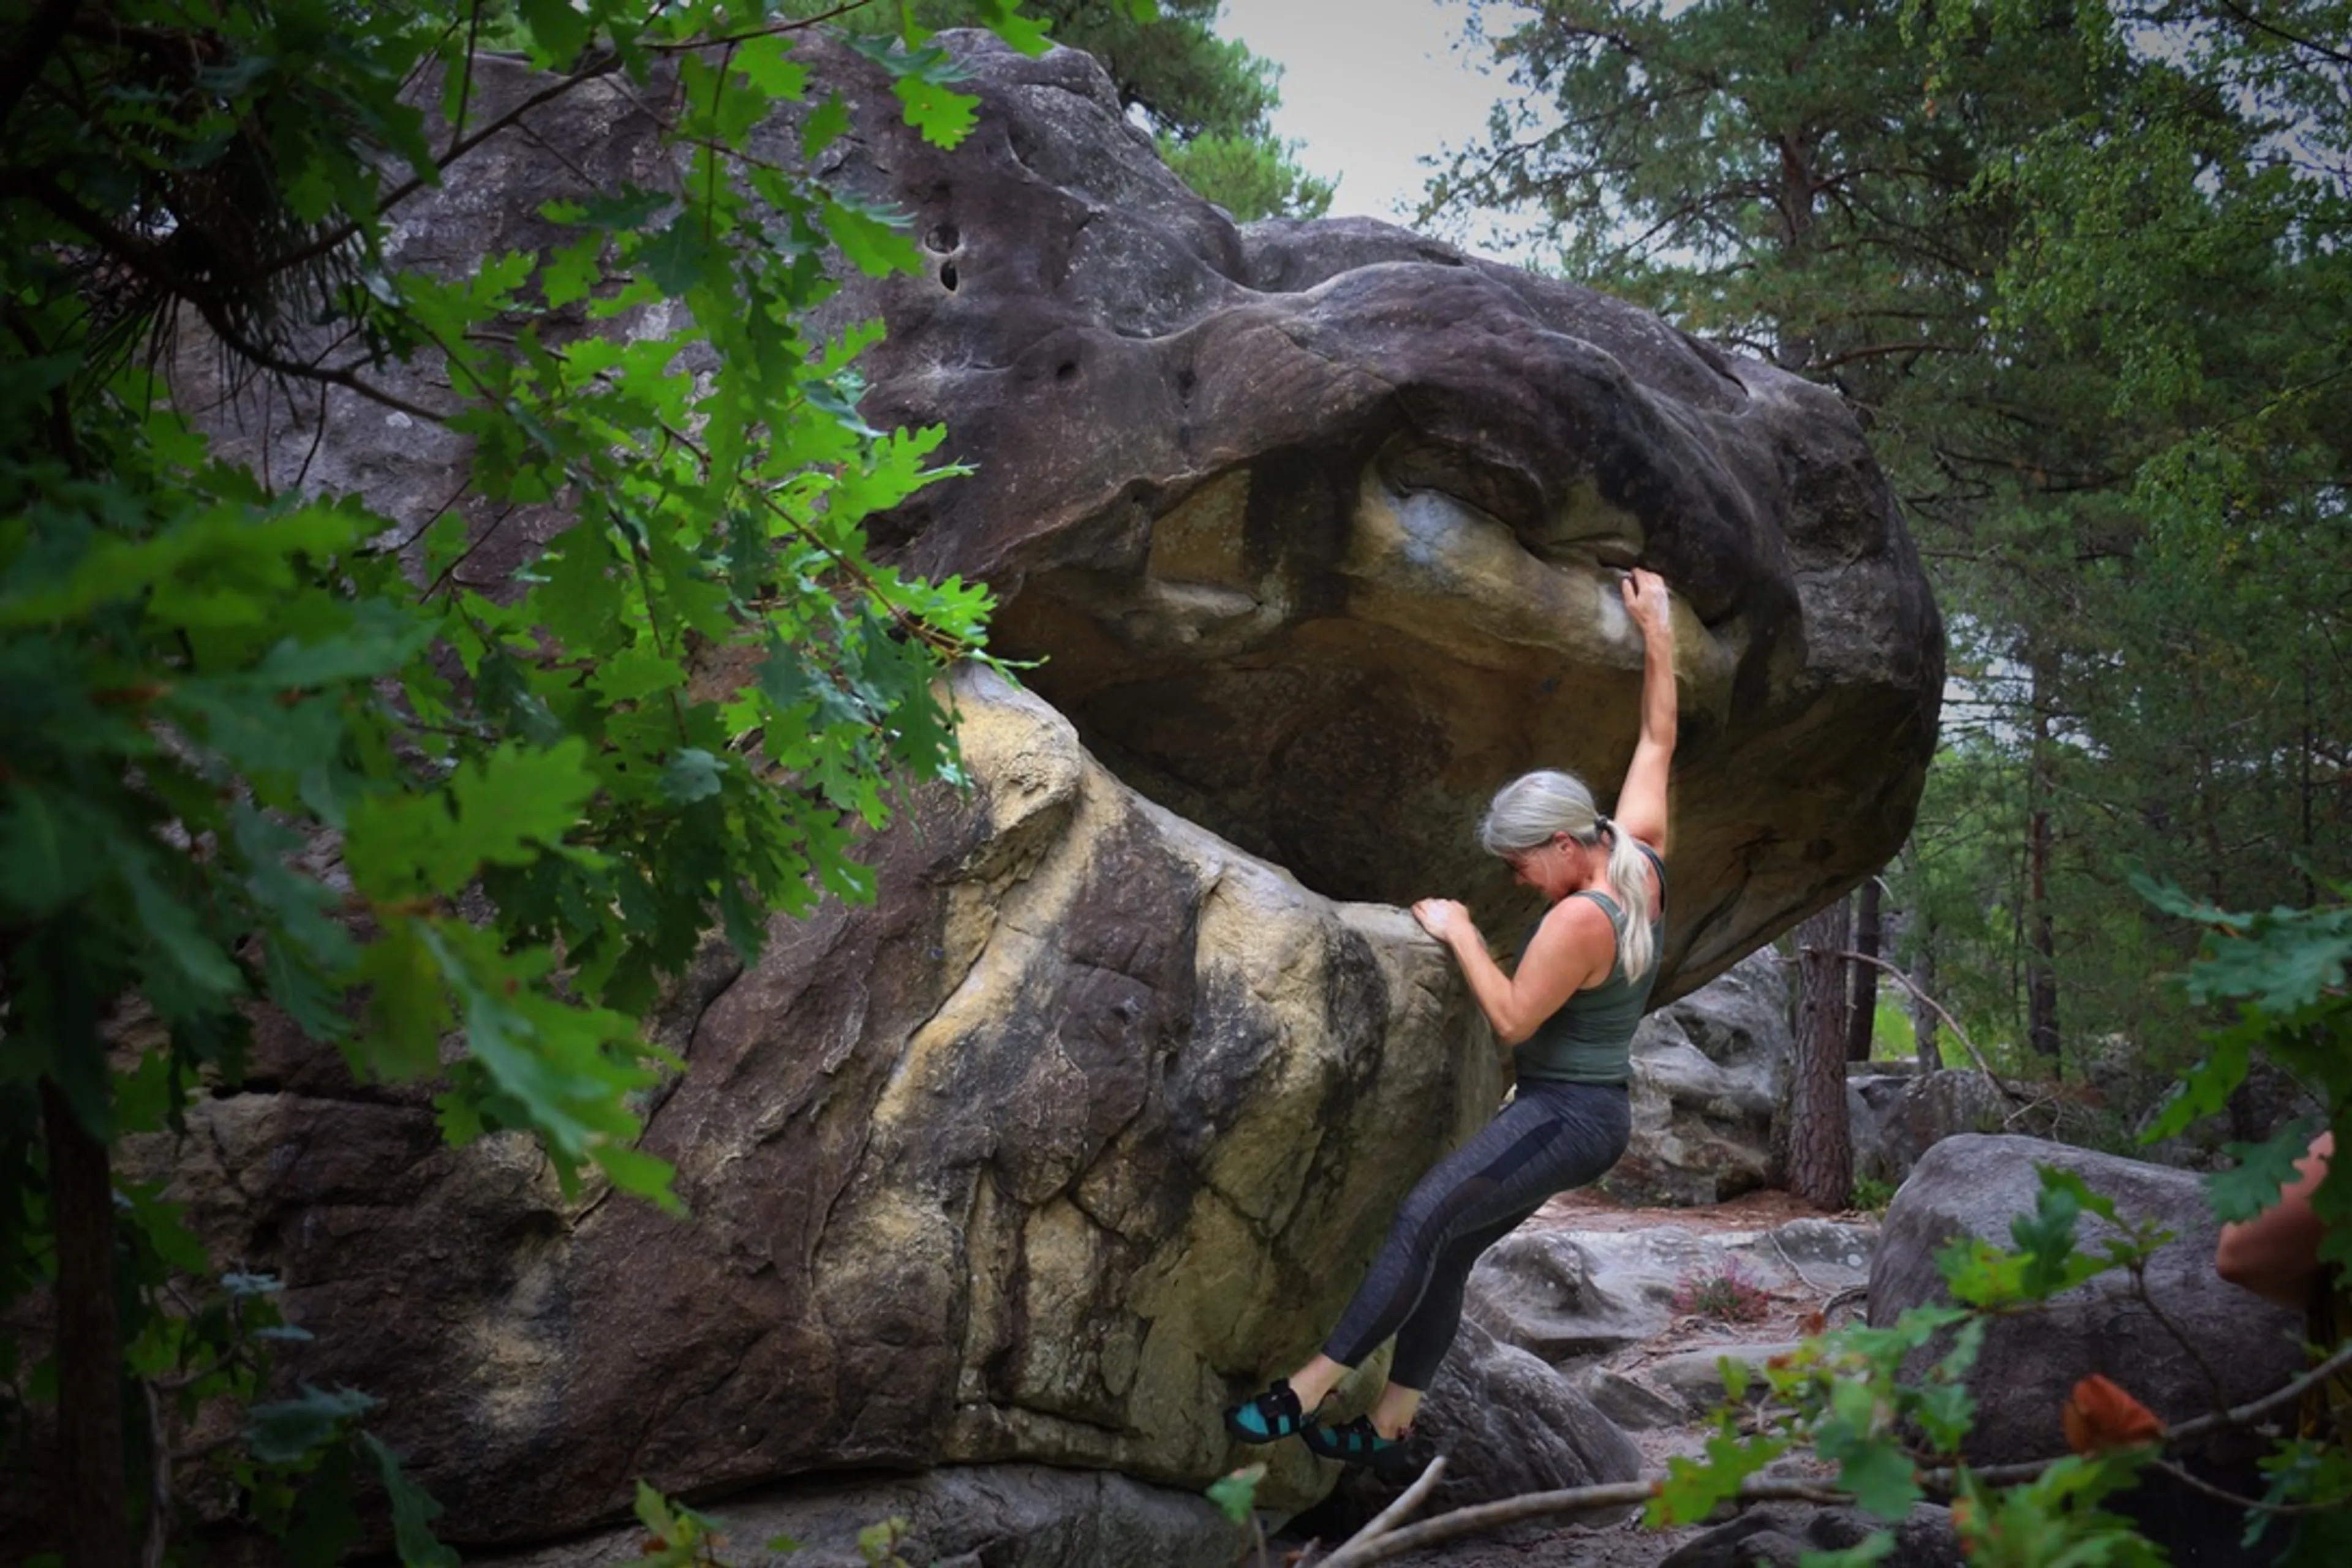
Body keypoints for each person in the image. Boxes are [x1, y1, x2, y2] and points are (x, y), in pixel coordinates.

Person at [1222, 566, 1678, 1471]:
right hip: (1588, 1113)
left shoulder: (1579, 919)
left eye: (1519, 865)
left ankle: (1306, 1389)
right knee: (1454, 1247)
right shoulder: (1640, 859)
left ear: (1560, 845)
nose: (1515, 880)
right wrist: (1654, 631)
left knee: (1424, 1218)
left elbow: (1511, 1018)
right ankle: (1390, 1426)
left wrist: (1462, 931)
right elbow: (1659, 738)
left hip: (1567, 1116)